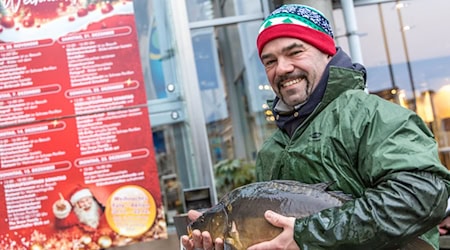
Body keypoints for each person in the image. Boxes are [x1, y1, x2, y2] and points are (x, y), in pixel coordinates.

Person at [181, 4, 450, 250]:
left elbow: (422, 195)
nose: (282, 68)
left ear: (326, 51)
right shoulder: (271, 150)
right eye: (270, 61)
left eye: (295, 52)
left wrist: (307, 234)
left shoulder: (374, 116)